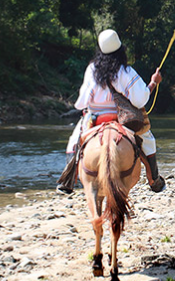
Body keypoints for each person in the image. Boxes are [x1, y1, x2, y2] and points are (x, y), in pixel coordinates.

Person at [56, 29, 166, 194]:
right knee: (148, 141)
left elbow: (81, 103)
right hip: (122, 119)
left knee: (74, 141)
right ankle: (154, 180)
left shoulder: (92, 69)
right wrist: (153, 83)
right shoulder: (126, 71)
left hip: (95, 118)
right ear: (121, 49)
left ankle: (67, 181)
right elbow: (140, 100)